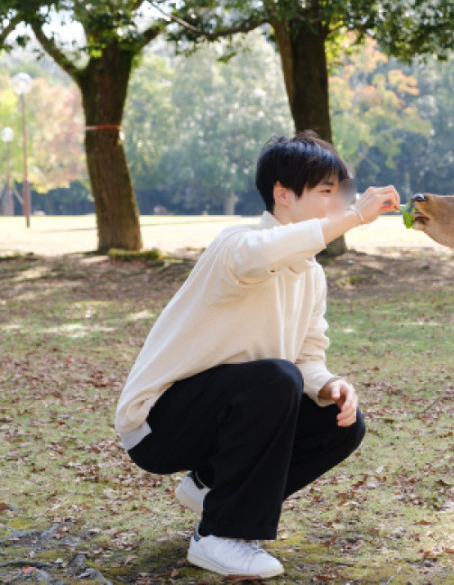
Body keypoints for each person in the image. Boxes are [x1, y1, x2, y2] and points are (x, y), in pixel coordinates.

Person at [115, 132, 401, 579]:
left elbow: (308, 359)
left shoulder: (311, 276)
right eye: (326, 192)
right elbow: (264, 255)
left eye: (339, 193)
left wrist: (329, 385)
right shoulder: (237, 245)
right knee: (276, 379)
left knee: (340, 422)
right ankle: (219, 537)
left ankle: (209, 485)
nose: (337, 203)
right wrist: (354, 218)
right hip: (158, 424)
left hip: (224, 417)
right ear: (282, 195)